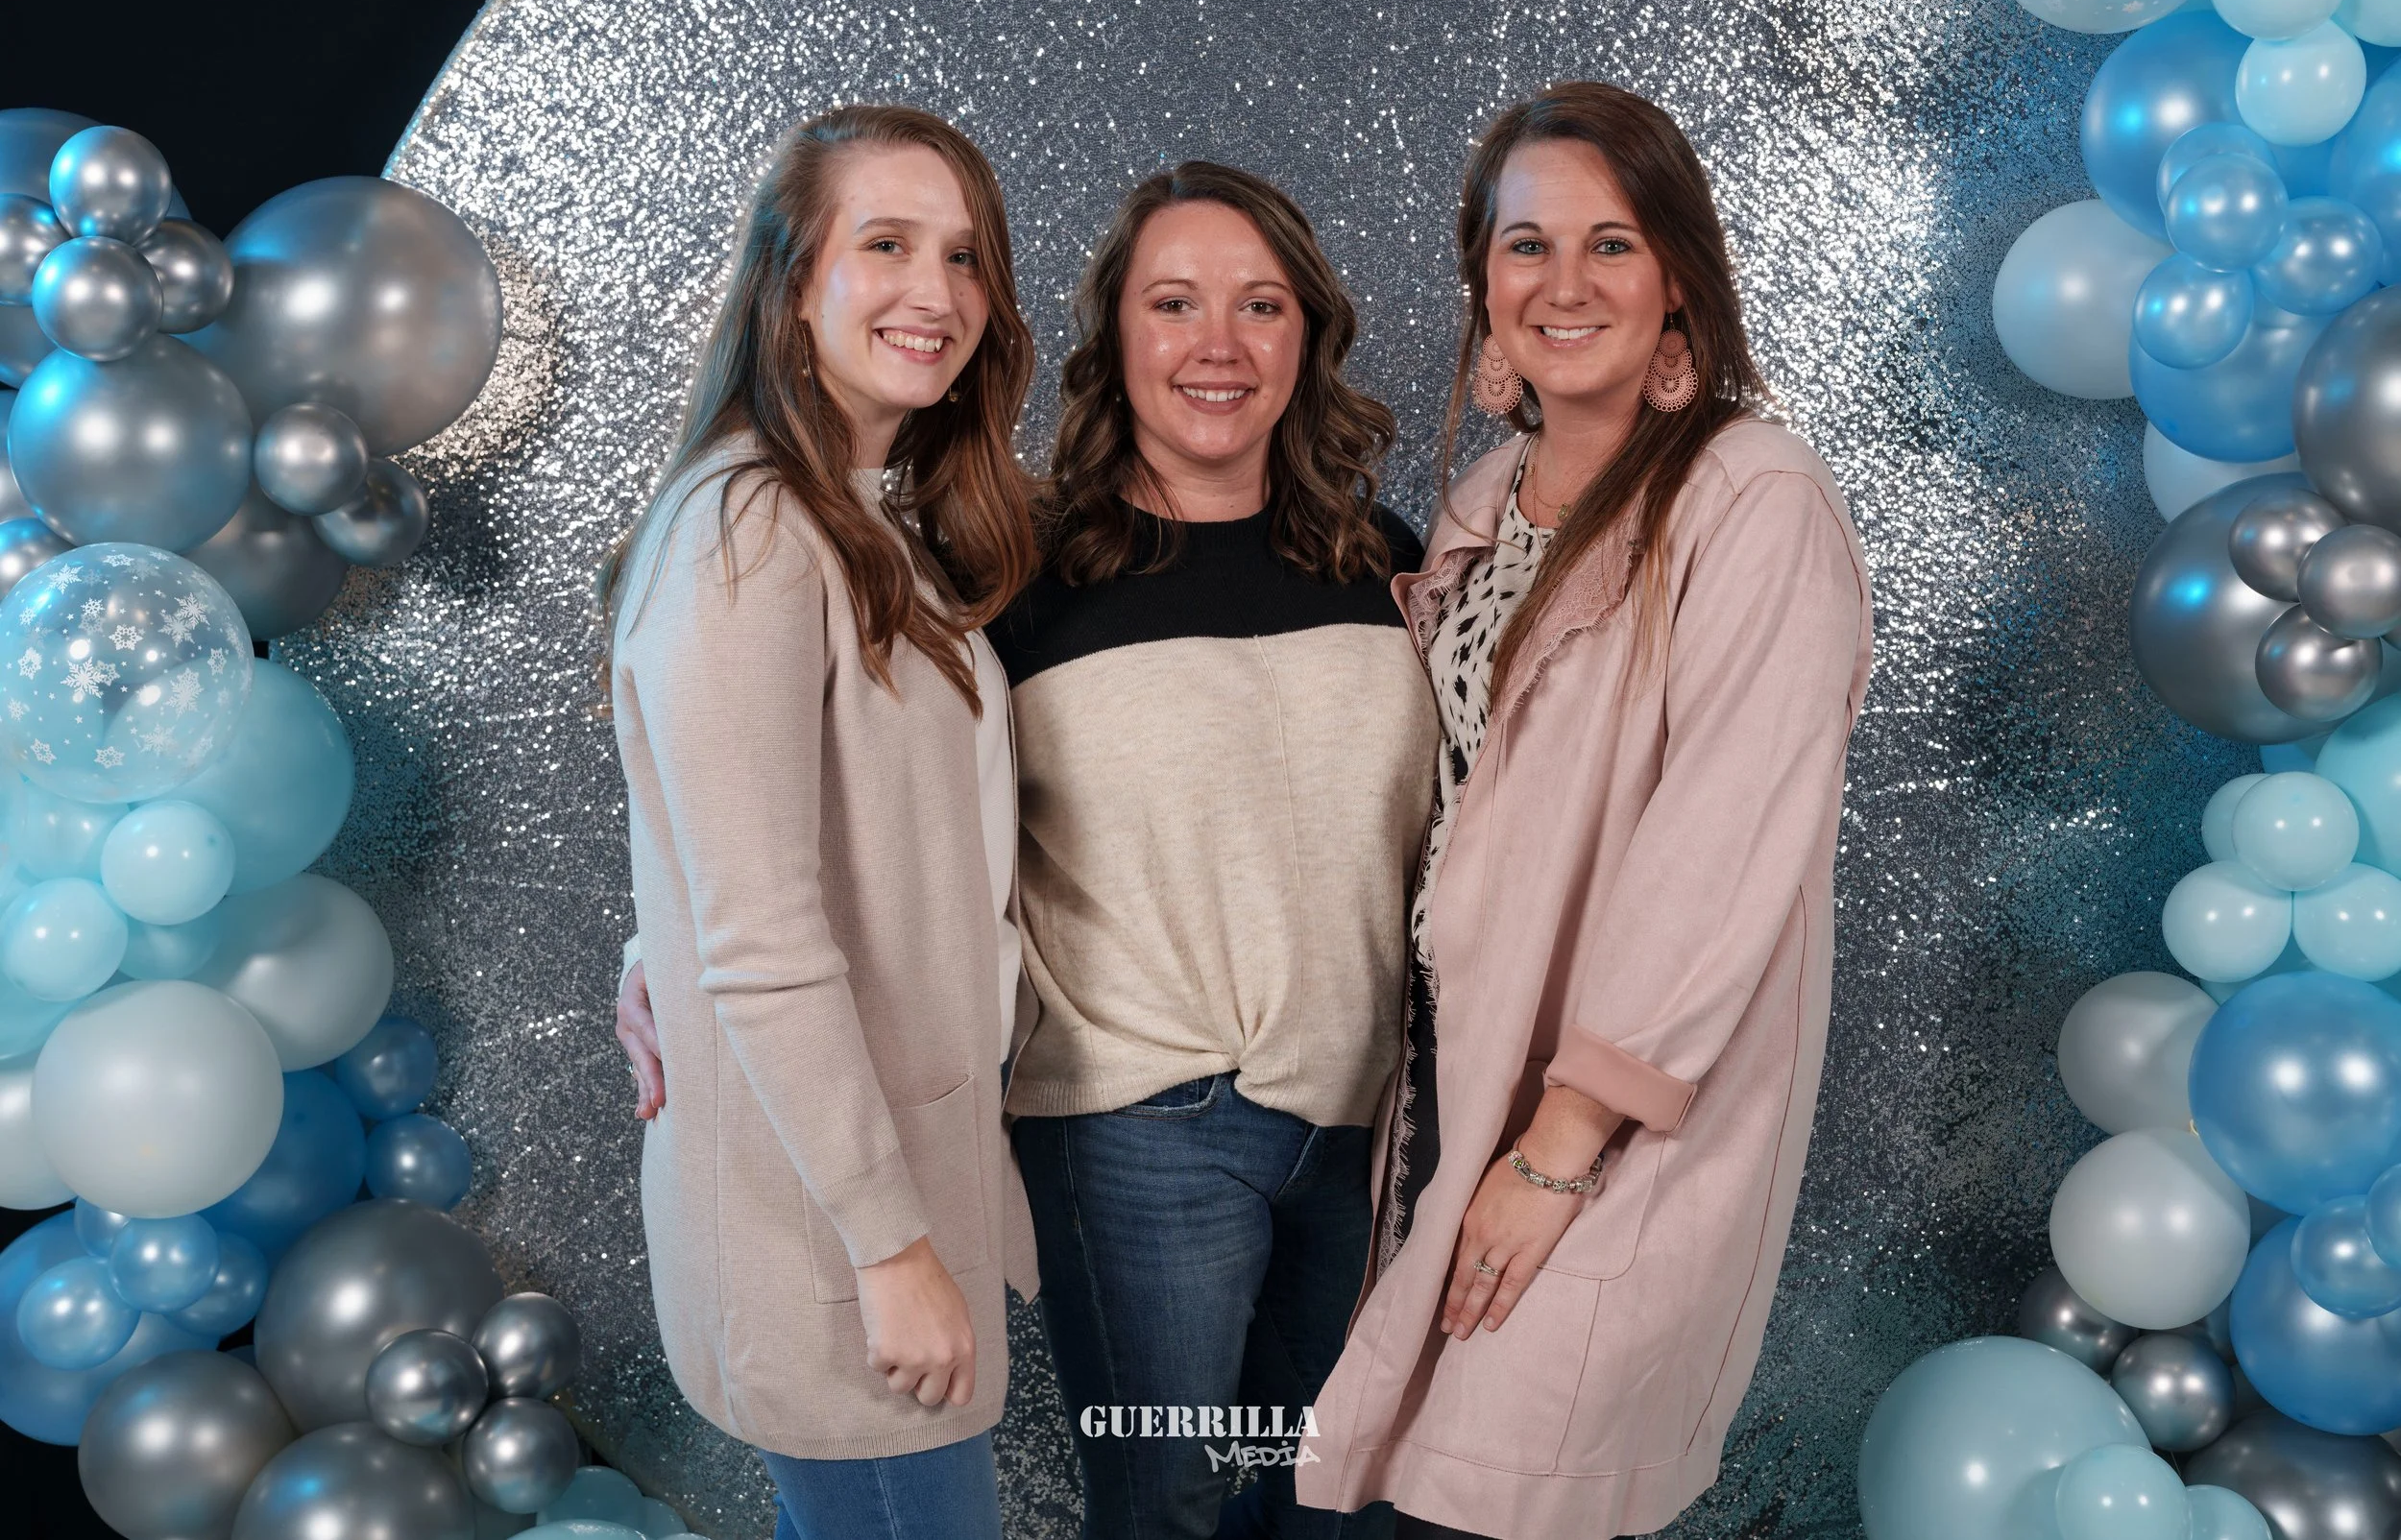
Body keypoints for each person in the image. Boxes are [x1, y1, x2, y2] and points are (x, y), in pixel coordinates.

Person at [1296, 83, 1875, 1540]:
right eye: (1525, 246)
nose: (1565, 285)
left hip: (1611, 1120)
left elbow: (1724, 842)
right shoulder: (1493, 494)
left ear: (1679, 274)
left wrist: (1558, 1147)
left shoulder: (1753, 497)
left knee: (1505, 1492)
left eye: (1611, 245)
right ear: (1483, 284)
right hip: (1443, 1083)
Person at [600, 104, 1041, 1540]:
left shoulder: (855, 516)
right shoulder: (749, 534)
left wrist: (657, 939)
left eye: (966, 255)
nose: (940, 294)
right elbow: (767, 928)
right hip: (830, 1234)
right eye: (889, 246)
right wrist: (889, 1242)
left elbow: (748, 836)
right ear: (792, 286)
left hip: (889, 1186)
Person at [988, 159, 1434, 1540]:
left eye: (1261, 305)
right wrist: (669, 946)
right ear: (1114, 337)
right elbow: (847, 790)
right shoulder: (1018, 576)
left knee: (1333, 1496)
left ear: (1310, 335)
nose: (1219, 346)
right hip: (1140, 1128)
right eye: (1173, 303)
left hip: (1365, 1123)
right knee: (1170, 1499)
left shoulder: (1386, 559)